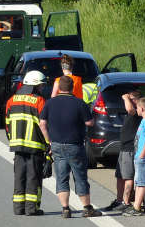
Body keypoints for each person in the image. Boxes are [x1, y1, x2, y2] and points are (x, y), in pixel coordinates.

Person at [39, 75, 102, 218]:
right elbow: (89, 123)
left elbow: (42, 123)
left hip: (56, 145)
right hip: (75, 145)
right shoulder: (79, 103)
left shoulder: (50, 103)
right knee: (80, 177)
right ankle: (87, 208)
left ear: (59, 88)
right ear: (72, 87)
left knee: (61, 177)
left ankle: (65, 209)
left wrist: (48, 141)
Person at [5, 70, 48, 216]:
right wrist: (49, 143)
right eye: (41, 86)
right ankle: (31, 208)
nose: (42, 88)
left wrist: (13, 139)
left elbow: (7, 124)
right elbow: (44, 125)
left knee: (19, 176)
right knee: (33, 177)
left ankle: (18, 208)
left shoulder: (11, 100)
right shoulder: (39, 101)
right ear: (35, 86)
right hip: (35, 146)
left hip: (17, 146)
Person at [103, 90, 142, 212]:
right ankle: (119, 200)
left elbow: (130, 110)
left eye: (130, 100)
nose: (126, 102)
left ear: (135, 101)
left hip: (130, 148)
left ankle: (126, 202)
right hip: (124, 148)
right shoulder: (130, 113)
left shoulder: (136, 113)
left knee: (127, 176)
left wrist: (126, 98)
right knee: (120, 176)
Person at [124, 97, 145, 216]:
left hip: (144, 157)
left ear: (141, 108)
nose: (136, 110)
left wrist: (142, 155)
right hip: (139, 156)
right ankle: (136, 205)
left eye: (137, 108)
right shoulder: (143, 120)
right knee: (138, 182)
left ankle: (137, 207)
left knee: (142, 182)